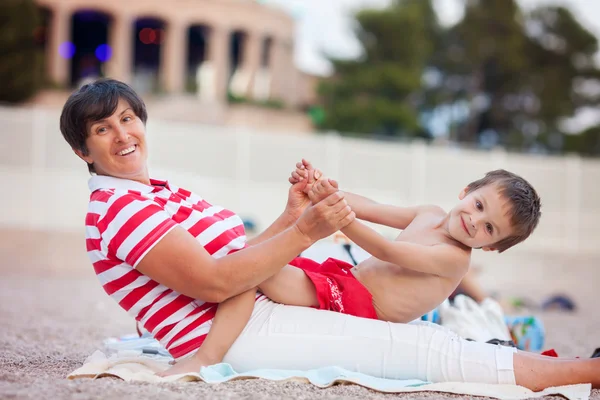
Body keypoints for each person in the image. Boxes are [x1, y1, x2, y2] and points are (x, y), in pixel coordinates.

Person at [59, 78, 600, 391]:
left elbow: (243, 258)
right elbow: (219, 280)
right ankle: (587, 372)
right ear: (84, 151)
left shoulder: (154, 191)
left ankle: (578, 368)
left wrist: (297, 215)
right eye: (102, 129)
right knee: (430, 351)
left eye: (128, 118)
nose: (123, 134)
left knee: (432, 344)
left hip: (254, 307)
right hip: (236, 331)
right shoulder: (123, 208)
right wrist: (310, 228)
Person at [171, 161, 541, 374]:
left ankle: (207, 356)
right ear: (466, 192)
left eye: (489, 228)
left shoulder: (454, 259)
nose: (475, 222)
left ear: (491, 246)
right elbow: (371, 207)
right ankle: (190, 279)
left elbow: (386, 250)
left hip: (361, 306)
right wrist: (324, 190)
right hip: (344, 279)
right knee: (258, 259)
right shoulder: (430, 213)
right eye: (479, 206)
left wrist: (339, 219)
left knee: (258, 269)